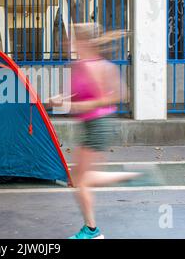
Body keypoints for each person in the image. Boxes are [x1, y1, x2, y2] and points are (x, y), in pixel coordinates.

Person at [49, 23, 140, 239]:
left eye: (72, 39)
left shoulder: (104, 67)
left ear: (84, 42)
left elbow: (118, 95)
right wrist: (58, 100)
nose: (66, 43)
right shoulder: (75, 66)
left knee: (80, 180)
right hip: (88, 124)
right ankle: (92, 228)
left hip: (100, 124)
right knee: (78, 179)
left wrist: (79, 106)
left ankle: (92, 230)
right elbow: (73, 96)